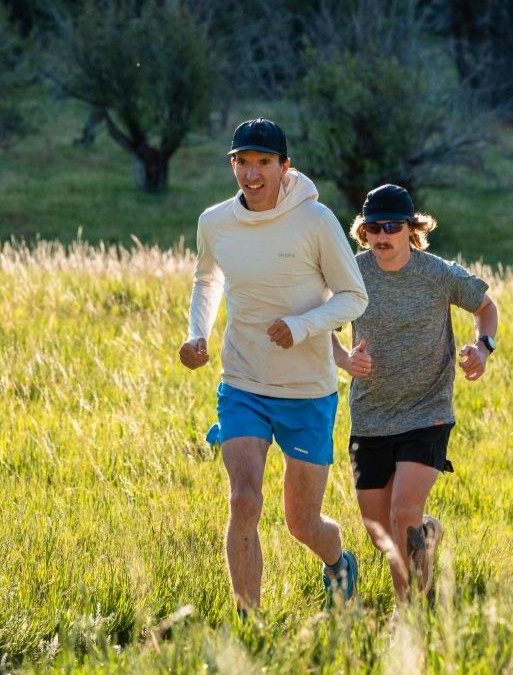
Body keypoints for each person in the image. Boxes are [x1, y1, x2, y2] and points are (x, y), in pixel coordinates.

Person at [179, 118, 369, 612]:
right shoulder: (214, 222)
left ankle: (338, 564)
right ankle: (249, 623)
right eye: (242, 161)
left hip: (307, 389)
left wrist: (302, 325)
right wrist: (196, 334)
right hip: (242, 380)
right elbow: (206, 280)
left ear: (285, 168)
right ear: (233, 165)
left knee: (302, 523)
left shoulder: (316, 220)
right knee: (244, 500)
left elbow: (354, 296)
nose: (252, 173)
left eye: (264, 162)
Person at [331, 183, 499, 603]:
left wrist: (482, 348)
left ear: (411, 229)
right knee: (380, 533)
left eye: (391, 227)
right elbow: (322, 326)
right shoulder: (352, 274)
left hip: (428, 413)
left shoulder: (438, 274)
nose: (382, 236)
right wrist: (345, 359)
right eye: (373, 228)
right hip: (371, 416)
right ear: (363, 231)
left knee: (401, 512)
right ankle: (427, 534)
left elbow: (486, 308)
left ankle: (409, 616)